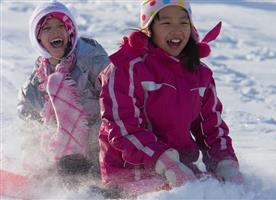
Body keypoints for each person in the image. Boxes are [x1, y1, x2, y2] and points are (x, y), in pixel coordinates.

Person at [99, 0, 243, 197]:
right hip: (129, 173)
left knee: (218, 190)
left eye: (183, 23)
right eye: (166, 23)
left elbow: (211, 127)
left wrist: (226, 164)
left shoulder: (200, 74)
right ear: (149, 29)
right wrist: (166, 163)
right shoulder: (127, 68)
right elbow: (123, 127)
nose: (176, 30)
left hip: (181, 169)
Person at [17, 1, 110, 176]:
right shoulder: (33, 87)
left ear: (70, 30)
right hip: (61, 156)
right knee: (45, 151)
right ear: (37, 38)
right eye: (46, 29)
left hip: (99, 146)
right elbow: (30, 132)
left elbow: (114, 98)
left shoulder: (91, 59)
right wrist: (31, 163)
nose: (55, 31)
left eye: (61, 25)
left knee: (57, 84)